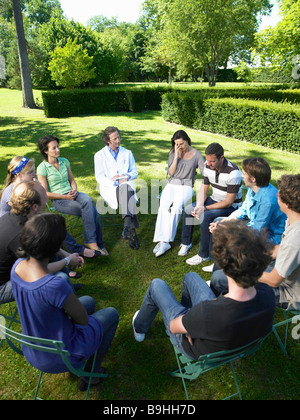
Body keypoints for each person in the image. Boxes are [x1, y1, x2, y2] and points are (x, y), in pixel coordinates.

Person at [132, 220, 275, 360]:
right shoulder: (268, 295)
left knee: (157, 285)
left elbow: (174, 327)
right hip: (231, 341)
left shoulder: (209, 312)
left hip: (194, 347)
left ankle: (139, 327)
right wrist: (194, 321)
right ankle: (188, 316)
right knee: (191, 277)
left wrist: (191, 325)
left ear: (223, 267)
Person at [11, 212, 119, 392]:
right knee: (111, 314)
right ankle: (90, 374)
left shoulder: (18, 267)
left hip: (34, 347)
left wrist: (68, 260)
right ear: (54, 248)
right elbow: (83, 320)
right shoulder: (55, 284)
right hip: (58, 356)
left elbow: (44, 269)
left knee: (89, 300)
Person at [0, 156, 100, 266]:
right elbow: (26, 212)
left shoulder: (28, 184)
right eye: (31, 172)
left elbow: (40, 199)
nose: (34, 174)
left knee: (54, 225)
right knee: (50, 229)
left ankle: (65, 265)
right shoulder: (12, 192)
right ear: (19, 175)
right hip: (15, 229)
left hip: (28, 218)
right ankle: (71, 256)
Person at [0, 181, 83, 304]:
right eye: (45, 200)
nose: (47, 203)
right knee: (60, 278)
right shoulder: (20, 234)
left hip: (17, 267)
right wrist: (67, 261)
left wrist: (66, 255)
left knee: (52, 256)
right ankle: (74, 309)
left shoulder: (16, 216)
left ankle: (67, 290)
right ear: (34, 207)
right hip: (3, 286)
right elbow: (39, 270)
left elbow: (44, 249)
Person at [205, 157, 286, 272]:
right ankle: (218, 264)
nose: (242, 176)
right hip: (256, 227)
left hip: (270, 237)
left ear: (253, 179)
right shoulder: (252, 189)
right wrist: (225, 221)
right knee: (219, 220)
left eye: (244, 173)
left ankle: (223, 269)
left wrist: (230, 231)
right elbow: (243, 210)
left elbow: (257, 230)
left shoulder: (268, 200)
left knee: (230, 237)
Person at [37, 135, 108, 256]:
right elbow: (45, 193)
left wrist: (74, 190)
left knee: (88, 201)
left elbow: (72, 181)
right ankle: (97, 244)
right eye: (53, 148)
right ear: (45, 151)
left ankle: (92, 242)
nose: (58, 150)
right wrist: (65, 197)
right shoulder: (42, 168)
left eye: (58, 147)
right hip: (59, 200)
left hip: (73, 194)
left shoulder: (64, 162)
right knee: (92, 210)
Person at [179, 143, 242, 265]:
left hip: (231, 207)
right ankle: (186, 243)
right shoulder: (208, 167)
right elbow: (203, 189)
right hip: (214, 199)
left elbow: (229, 202)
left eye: (212, 161)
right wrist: (198, 205)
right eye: (207, 160)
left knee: (206, 216)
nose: (208, 164)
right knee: (188, 209)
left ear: (221, 158)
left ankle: (204, 254)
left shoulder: (233, 172)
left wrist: (205, 208)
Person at [153, 130, 204, 257]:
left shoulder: (197, 154)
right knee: (163, 207)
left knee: (176, 208)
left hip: (186, 186)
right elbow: (171, 173)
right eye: (177, 144)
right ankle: (161, 239)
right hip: (172, 184)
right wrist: (176, 156)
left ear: (187, 140)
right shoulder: (173, 152)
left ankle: (166, 241)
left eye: (181, 144)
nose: (180, 146)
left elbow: (204, 172)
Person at [258, 174, 300, 311]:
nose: (276, 196)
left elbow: (273, 281)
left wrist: (242, 269)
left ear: (287, 204)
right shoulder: (293, 219)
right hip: (288, 276)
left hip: (290, 293)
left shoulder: (295, 238)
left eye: (279, 195)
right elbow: (281, 249)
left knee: (222, 278)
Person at [94, 126, 139, 250]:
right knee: (127, 194)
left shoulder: (127, 153)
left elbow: (135, 171)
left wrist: (127, 177)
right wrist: (113, 182)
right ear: (107, 141)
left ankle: (127, 228)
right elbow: (99, 177)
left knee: (126, 189)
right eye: (114, 139)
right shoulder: (99, 155)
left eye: (118, 137)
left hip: (125, 183)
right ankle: (131, 230)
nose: (118, 141)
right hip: (110, 187)